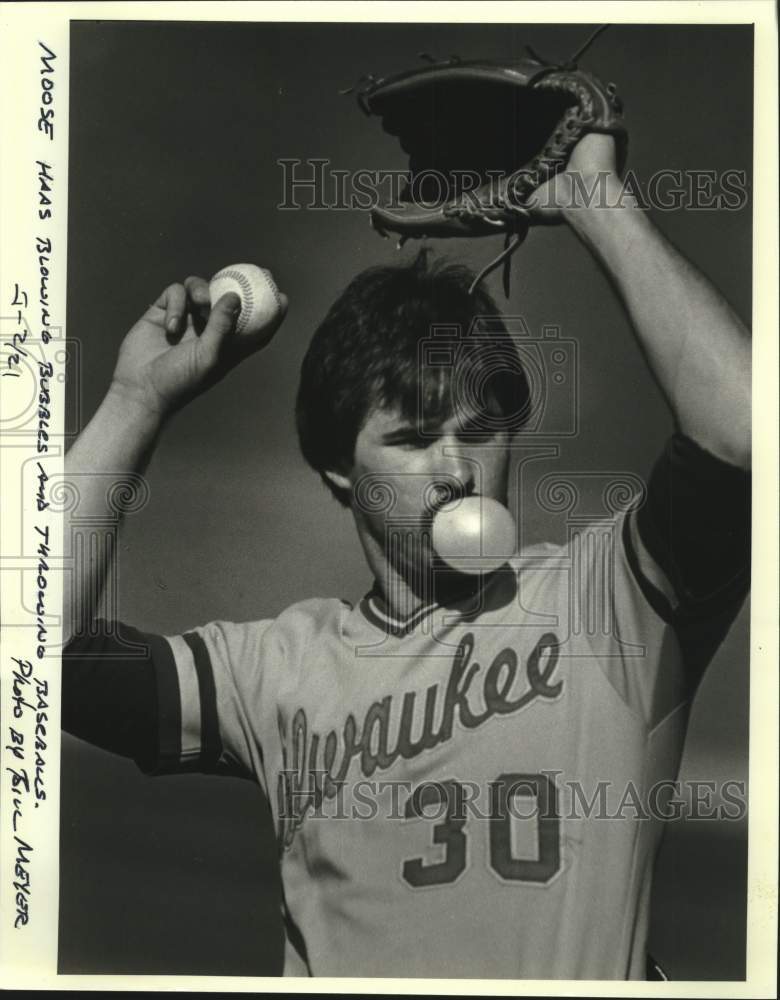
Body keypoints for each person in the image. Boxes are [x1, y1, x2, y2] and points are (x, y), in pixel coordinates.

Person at [61, 135, 750, 979]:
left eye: (481, 430)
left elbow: (747, 435)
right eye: (417, 438)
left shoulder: (607, 602)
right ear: (338, 468)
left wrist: (594, 201)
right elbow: (30, 658)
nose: (458, 467)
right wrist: (137, 401)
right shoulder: (275, 671)